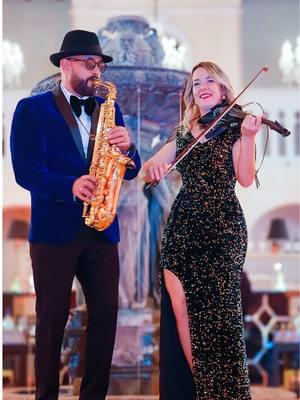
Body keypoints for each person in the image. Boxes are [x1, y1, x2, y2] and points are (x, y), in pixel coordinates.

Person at [10, 29, 141, 400]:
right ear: (65, 65)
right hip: (54, 232)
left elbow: (130, 169)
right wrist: (70, 185)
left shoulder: (110, 110)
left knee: (105, 319)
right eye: (89, 64)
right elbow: (26, 171)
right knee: (52, 320)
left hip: (102, 230)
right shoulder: (31, 109)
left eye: (99, 64)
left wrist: (130, 147)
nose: (96, 71)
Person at [142, 61, 261, 400]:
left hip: (223, 229)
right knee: (183, 316)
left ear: (223, 88)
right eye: (196, 83)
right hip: (182, 228)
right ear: (192, 94)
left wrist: (250, 139)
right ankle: (202, 390)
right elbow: (152, 166)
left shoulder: (237, 127)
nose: (202, 86)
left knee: (219, 319)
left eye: (210, 80)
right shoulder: (182, 132)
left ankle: (224, 393)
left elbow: (245, 178)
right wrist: (156, 168)